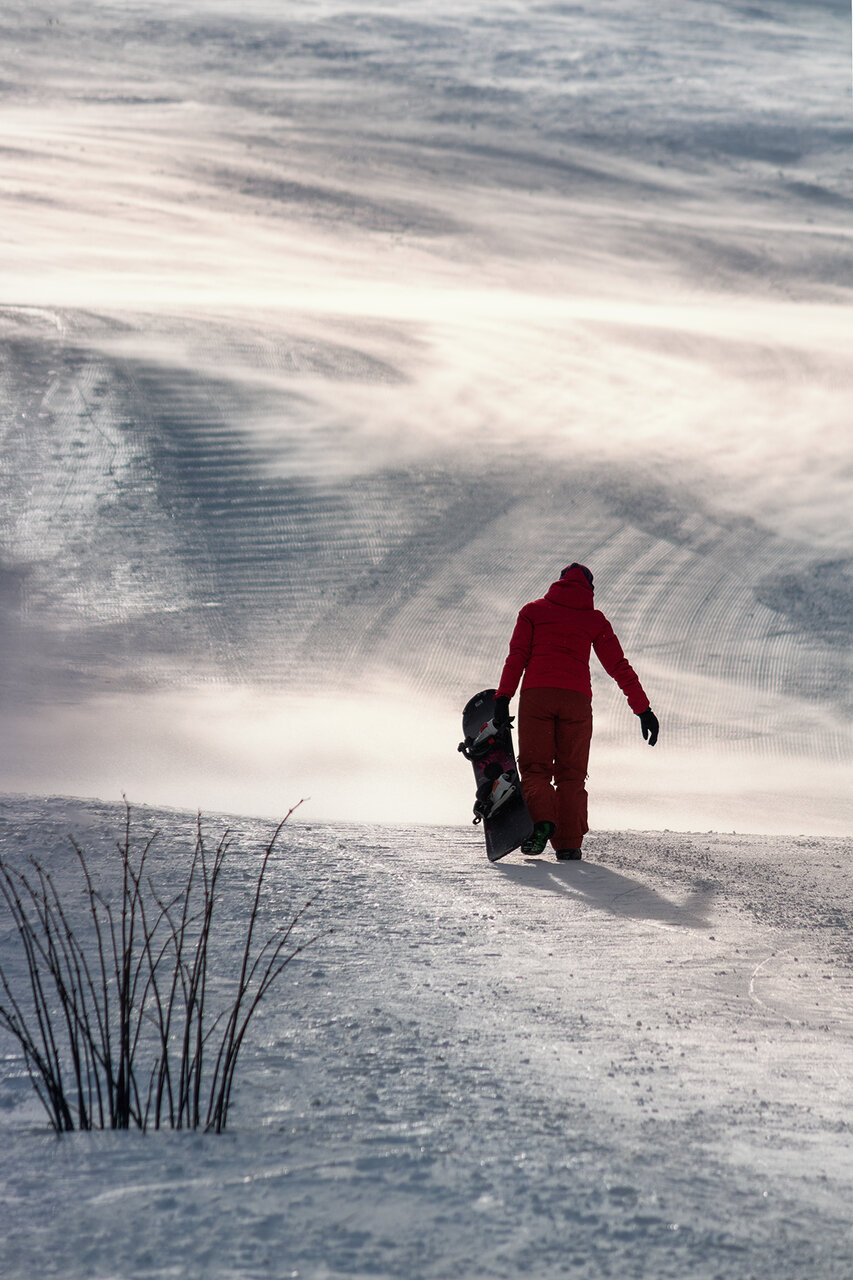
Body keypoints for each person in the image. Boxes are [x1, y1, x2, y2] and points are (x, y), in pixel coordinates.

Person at [494, 563, 658, 860]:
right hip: (576, 701)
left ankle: (541, 822)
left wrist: (503, 698)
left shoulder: (532, 611)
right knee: (571, 775)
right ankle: (568, 843)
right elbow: (618, 665)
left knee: (536, 768)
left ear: (558, 583)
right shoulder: (594, 620)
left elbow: (517, 656)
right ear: (589, 590)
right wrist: (642, 709)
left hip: (537, 698)